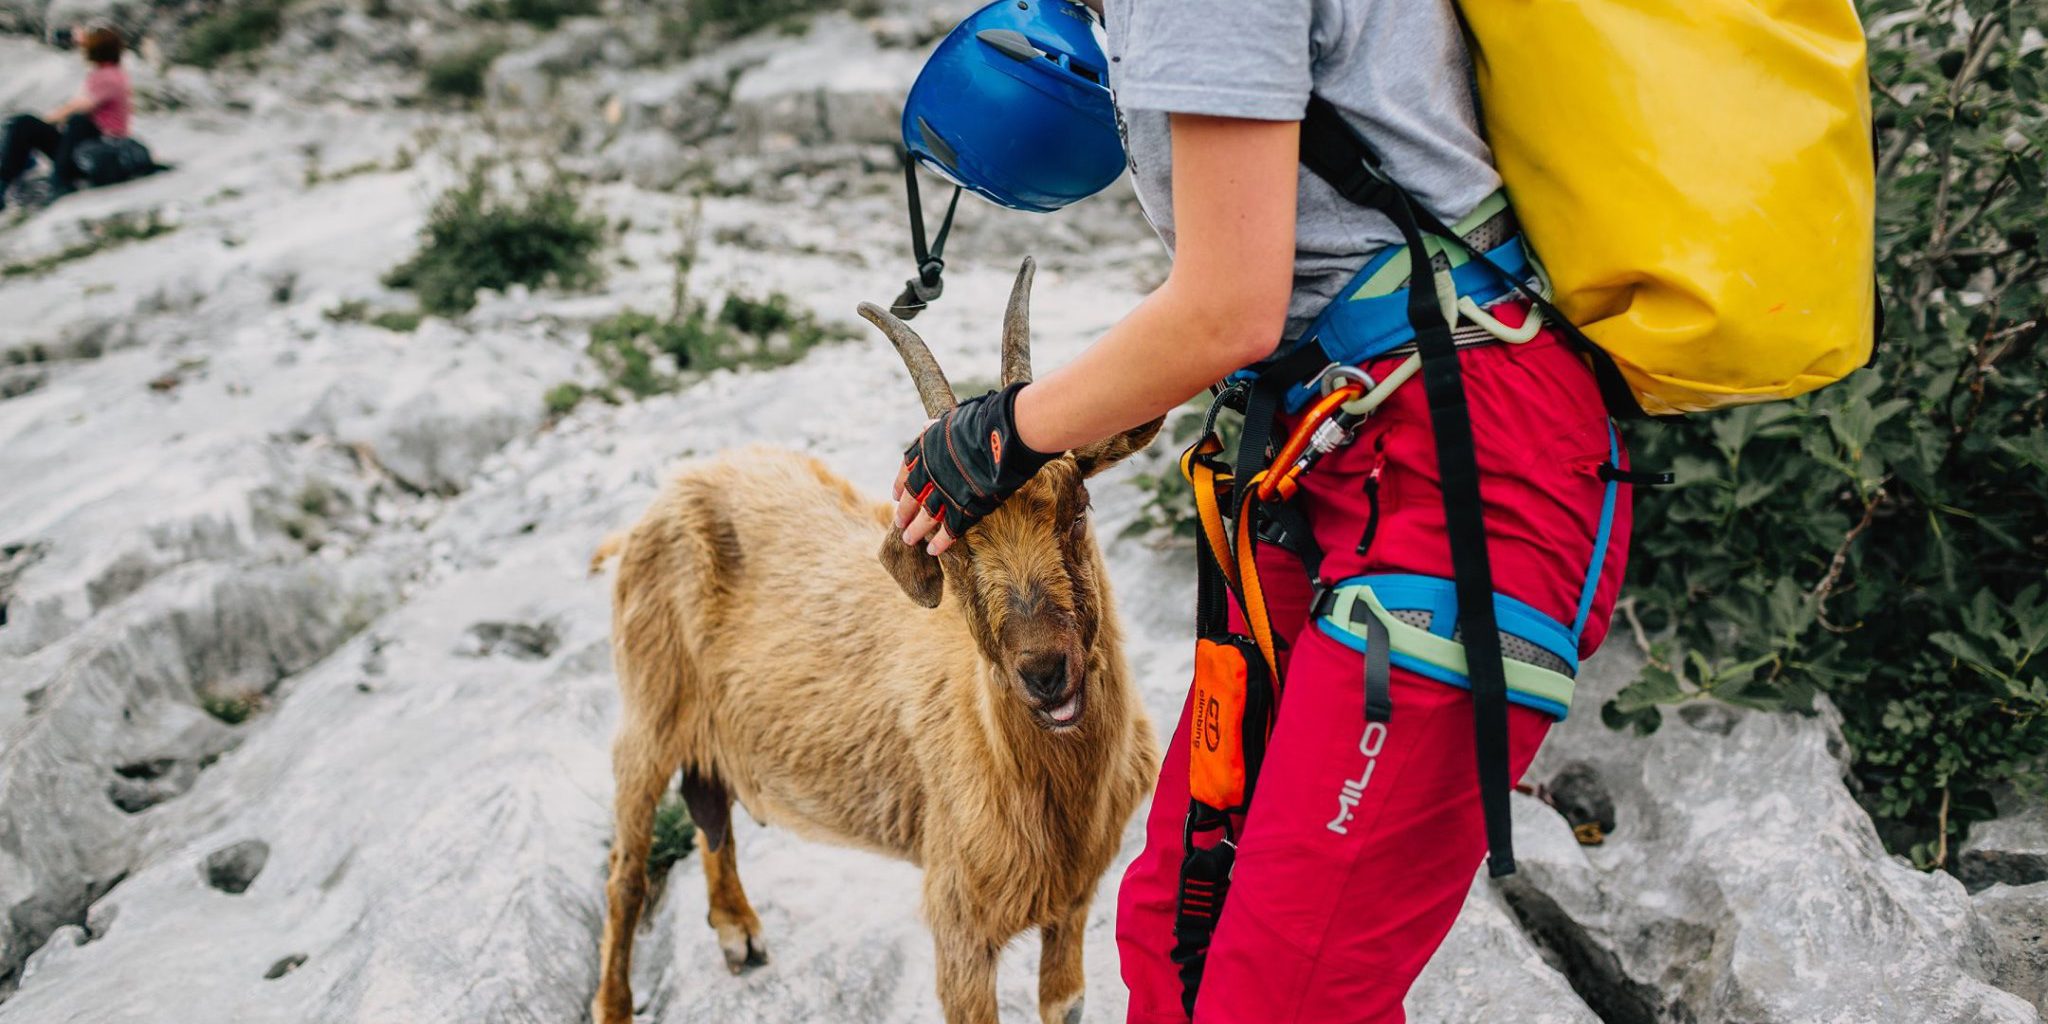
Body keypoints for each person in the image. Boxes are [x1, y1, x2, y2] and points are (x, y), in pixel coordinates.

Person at [887, 1, 1633, 1020]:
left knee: (1283, 991)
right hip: (1324, 448)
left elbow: (1223, 310)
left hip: (1465, 462)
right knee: (1174, 920)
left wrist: (1003, 433)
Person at [0, 25, 133, 211]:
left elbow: (79, 106)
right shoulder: (109, 73)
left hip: (95, 152)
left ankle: (56, 181)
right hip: (83, 150)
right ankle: (6, 183)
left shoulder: (107, 77)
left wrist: (46, 122)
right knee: (28, 123)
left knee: (74, 121)